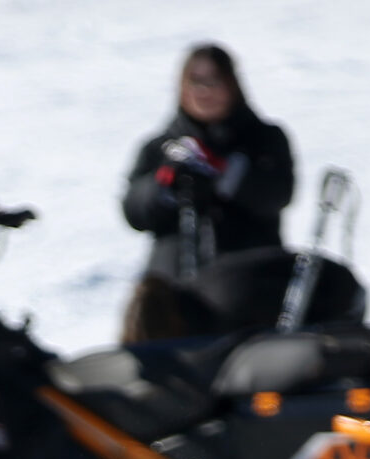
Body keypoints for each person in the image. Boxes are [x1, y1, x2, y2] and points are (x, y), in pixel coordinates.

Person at [118, 45, 294, 341]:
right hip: (174, 294)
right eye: (195, 82)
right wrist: (166, 186)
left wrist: (224, 174)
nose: (204, 92)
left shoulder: (264, 139)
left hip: (247, 292)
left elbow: (277, 195)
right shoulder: (159, 147)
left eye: (214, 82)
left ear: (232, 85)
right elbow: (134, 212)